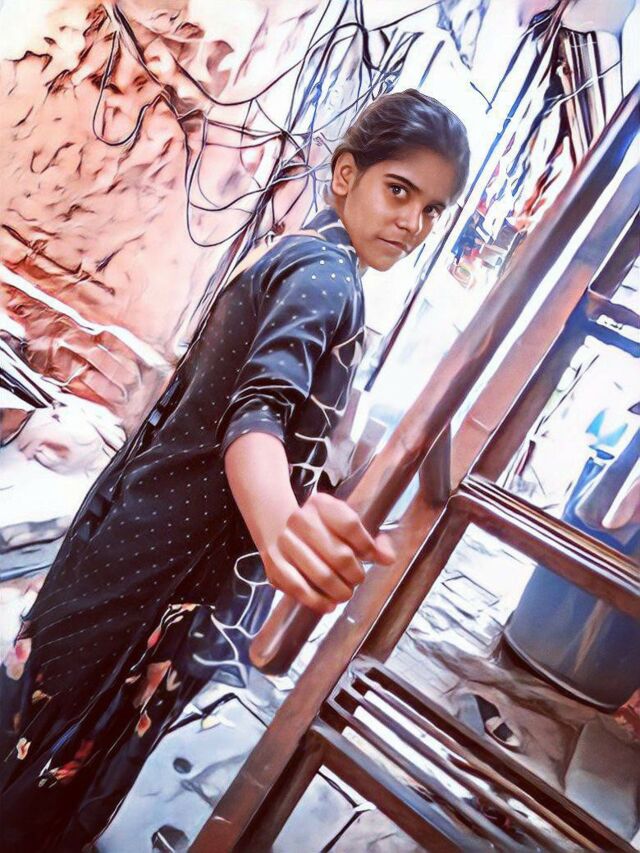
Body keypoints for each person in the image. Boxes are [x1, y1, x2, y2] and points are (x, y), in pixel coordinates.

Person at [0, 89, 469, 850]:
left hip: (142, 526)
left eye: (432, 210)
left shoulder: (298, 254)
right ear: (345, 174)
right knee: (60, 737)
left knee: (46, 706)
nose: (412, 223)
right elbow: (258, 412)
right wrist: (282, 528)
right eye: (399, 190)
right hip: (166, 558)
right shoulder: (327, 279)